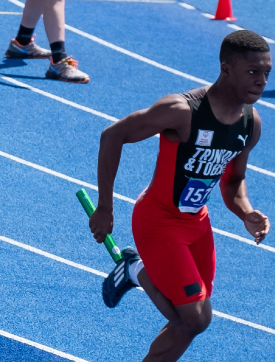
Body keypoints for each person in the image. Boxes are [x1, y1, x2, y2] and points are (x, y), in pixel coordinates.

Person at [90, 30, 269, 361]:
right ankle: (135, 270)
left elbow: (233, 182)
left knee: (188, 324)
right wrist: (105, 206)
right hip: (158, 222)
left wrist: (246, 212)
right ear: (226, 69)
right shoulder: (182, 111)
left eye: (266, 73)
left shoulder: (250, 123)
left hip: (197, 226)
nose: (261, 81)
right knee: (195, 317)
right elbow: (113, 136)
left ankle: (134, 272)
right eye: (253, 72)